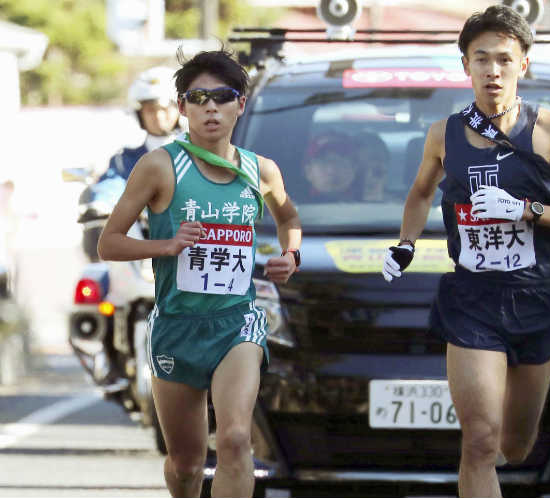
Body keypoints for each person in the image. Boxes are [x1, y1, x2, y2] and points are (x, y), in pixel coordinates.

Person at [381, 6, 550, 498]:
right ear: (466, 66)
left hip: (536, 296)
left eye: (504, 59)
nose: (493, 70)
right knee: (480, 443)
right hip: (472, 299)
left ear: (524, 64)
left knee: (516, 445)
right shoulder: (443, 134)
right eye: (481, 59)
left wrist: (528, 211)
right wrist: (405, 244)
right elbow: (421, 192)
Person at [98, 48, 302, 498]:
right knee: (186, 465)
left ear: (240, 105)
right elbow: (108, 242)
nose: (211, 106)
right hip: (177, 327)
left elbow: (289, 219)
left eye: (223, 96)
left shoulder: (259, 170)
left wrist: (292, 255)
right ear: (183, 106)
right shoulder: (160, 166)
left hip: (237, 324)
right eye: (198, 96)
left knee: (233, 440)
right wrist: (166, 245)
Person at [79, 66, 183, 261]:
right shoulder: (124, 159)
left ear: (179, 109)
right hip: (143, 252)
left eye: (164, 109)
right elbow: (113, 183)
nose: (158, 117)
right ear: (139, 115)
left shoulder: (195, 153)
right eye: (150, 110)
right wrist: (100, 203)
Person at [302, 131, 359, 202]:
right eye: (323, 162)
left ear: (354, 168)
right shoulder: (289, 208)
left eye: (340, 161)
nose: (331, 170)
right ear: (308, 171)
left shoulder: (373, 208)